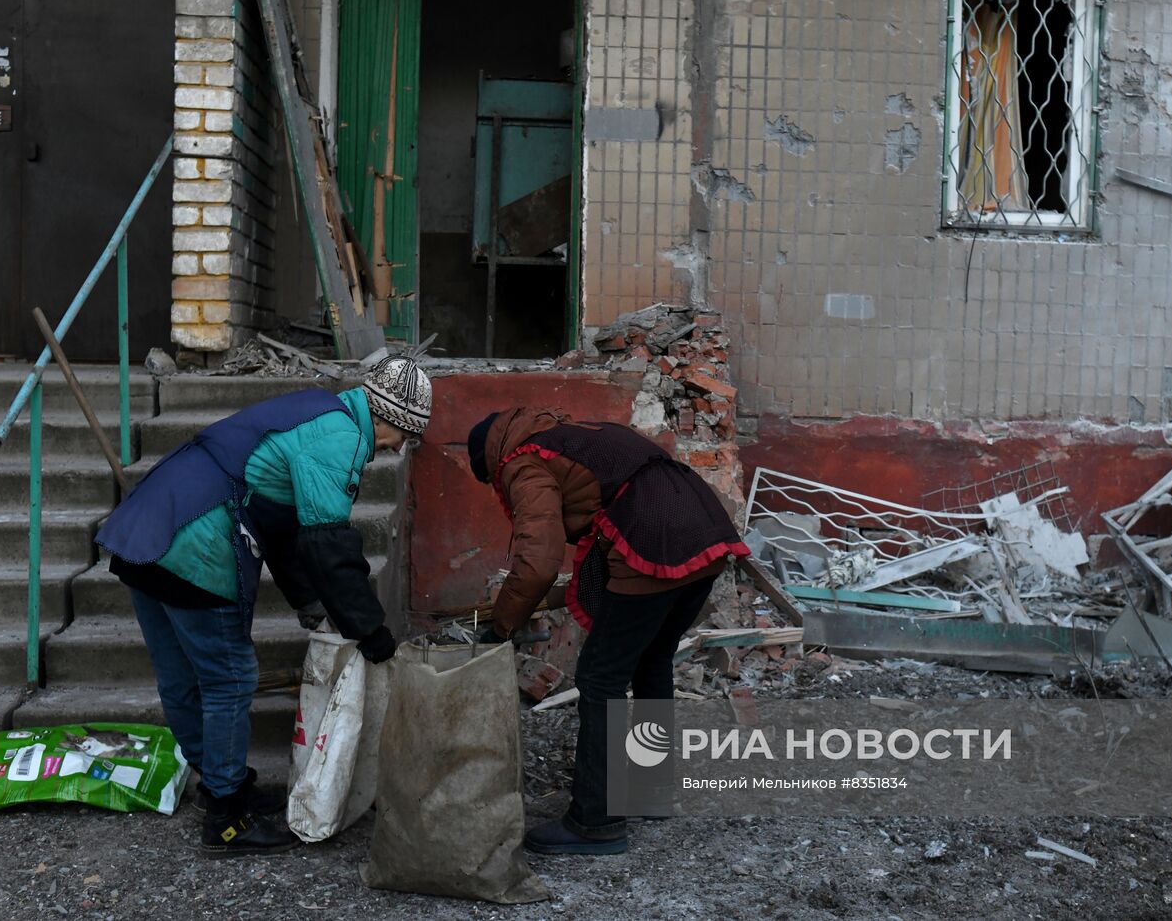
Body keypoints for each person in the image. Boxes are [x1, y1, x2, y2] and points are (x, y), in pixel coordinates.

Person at [96, 354, 432, 858]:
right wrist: (371, 631)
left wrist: (310, 604)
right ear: (388, 417)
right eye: (405, 435)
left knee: (181, 676)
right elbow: (328, 546)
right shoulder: (342, 439)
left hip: (147, 528)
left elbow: (283, 525)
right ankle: (226, 819)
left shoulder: (315, 408)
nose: (400, 447)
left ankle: (220, 785)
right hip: (196, 542)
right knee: (229, 678)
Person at [465, 408, 749, 855]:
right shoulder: (575, 431)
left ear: (490, 461)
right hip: (704, 525)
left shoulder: (522, 459)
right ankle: (651, 790)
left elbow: (537, 561)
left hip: (653, 536)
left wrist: (500, 629)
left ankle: (595, 820)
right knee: (652, 658)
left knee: (600, 678)